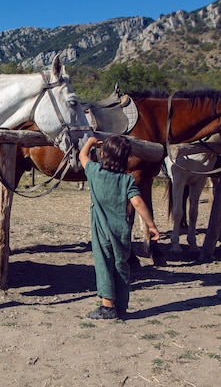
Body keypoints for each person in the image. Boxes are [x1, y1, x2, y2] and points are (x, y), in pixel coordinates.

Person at [79, 135, 160, 319]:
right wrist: (151, 225)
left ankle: (108, 307)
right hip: (122, 231)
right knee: (121, 265)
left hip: (102, 232)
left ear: (102, 154)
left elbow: (82, 156)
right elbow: (138, 202)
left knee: (104, 265)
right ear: (126, 159)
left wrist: (91, 141)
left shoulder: (94, 171)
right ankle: (122, 306)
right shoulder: (127, 180)